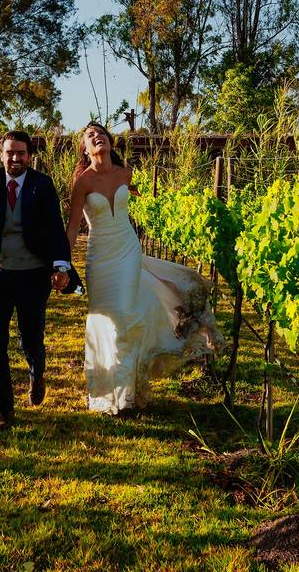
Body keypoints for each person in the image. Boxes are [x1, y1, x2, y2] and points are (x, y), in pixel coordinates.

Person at [66, 122, 224, 414]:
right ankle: (106, 390)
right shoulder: (83, 182)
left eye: (101, 134)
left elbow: (135, 197)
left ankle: (126, 396)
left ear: (110, 143)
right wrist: (62, 263)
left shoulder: (126, 174)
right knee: (106, 320)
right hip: (100, 257)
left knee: (126, 316)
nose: (97, 138)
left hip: (127, 250)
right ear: (85, 150)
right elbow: (74, 225)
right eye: (91, 136)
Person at [0, 131, 73, 429]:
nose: (15, 158)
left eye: (21, 153)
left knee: (30, 337)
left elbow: (54, 227)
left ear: (29, 156)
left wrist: (61, 266)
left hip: (33, 275)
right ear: (1, 155)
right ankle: (5, 410)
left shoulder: (42, 184)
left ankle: (37, 373)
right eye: (10, 152)